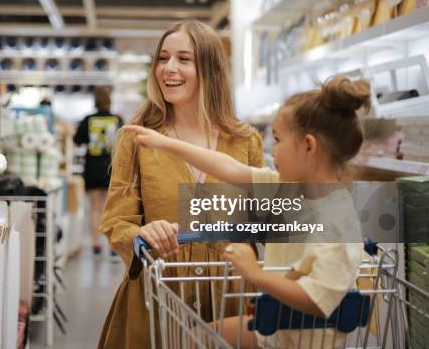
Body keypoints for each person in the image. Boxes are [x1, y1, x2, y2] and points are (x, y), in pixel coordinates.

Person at [123, 75, 369, 348]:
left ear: (309, 146)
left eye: (277, 140)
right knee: (196, 335)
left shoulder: (338, 222)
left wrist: (254, 273)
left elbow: (317, 300)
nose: (271, 150)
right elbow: (230, 168)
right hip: (278, 328)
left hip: (309, 340)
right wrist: (165, 143)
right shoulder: (286, 188)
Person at [98, 20, 264, 348]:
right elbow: (116, 222)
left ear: (210, 69)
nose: (169, 68)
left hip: (228, 299)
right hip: (156, 295)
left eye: (183, 59)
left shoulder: (244, 141)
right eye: (163, 58)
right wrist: (141, 235)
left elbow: (265, 220)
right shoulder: (136, 138)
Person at [74, 86, 123, 259]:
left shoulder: (88, 119)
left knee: (95, 208)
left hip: (92, 167)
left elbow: (77, 140)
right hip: (111, 167)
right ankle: (112, 248)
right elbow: (123, 144)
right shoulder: (117, 119)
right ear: (110, 99)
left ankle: (96, 246)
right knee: (112, 208)